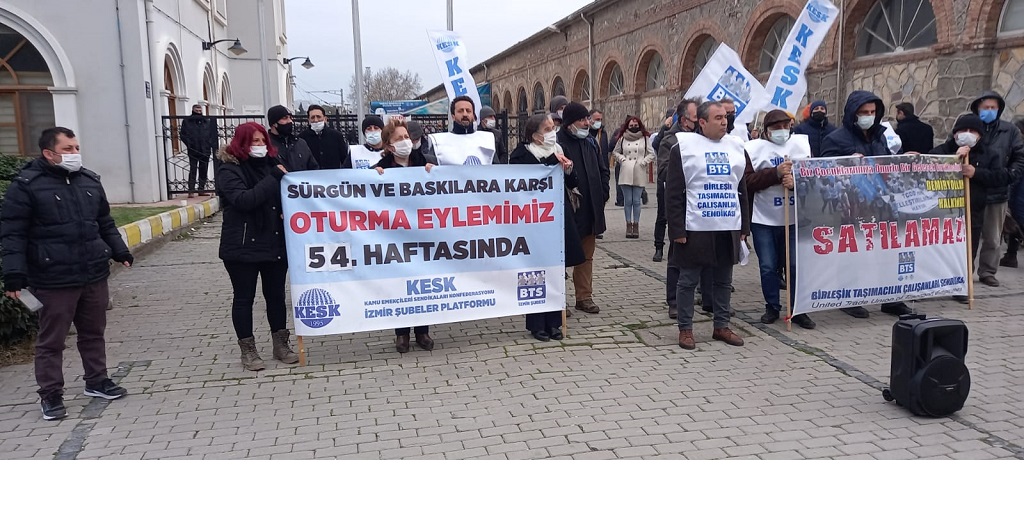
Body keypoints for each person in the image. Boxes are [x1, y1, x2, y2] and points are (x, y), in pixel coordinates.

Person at [1, 127, 133, 420]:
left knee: (93, 333)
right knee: (52, 341)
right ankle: (50, 394)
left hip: (92, 273)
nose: (75, 153)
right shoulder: (26, 186)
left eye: (76, 147)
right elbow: (12, 234)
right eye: (68, 149)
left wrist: (118, 250)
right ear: (49, 153)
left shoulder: (89, 180)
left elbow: (104, 222)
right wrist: (14, 274)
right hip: (52, 278)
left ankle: (97, 380)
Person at [666, 101, 750, 350]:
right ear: (701, 122)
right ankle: (686, 329)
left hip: (727, 225)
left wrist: (744, 226)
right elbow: (674, 193)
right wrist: (677, 231)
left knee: (724, 280)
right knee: (688, 281)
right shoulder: (683, 148)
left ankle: (721, 326)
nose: (724, 121)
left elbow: (741, 189)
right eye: (717, 118)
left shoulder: (736, 147)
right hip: (695, 227)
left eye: (725, 117)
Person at [821, 90, 913, 319]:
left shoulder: (881, 136)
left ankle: (891, 298)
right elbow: (824, 172)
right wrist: (847, 163)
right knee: (853, 253)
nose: (868, 116)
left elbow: (889, 164)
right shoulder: (835, 138)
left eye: (872, 112)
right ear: (853, 113)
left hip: (883, 205)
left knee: (888, 252)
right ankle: (848, 296)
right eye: (863, 112)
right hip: (853, 206)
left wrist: (906, 160)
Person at [215, 122, 298, 371]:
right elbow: (244, 200)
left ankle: (281, 344)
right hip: (242, 246)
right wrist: (274, 178)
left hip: (273, 242)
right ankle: (248, 350)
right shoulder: (229, 169)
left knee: (275, 297)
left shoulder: (274, 164)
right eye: (254, 142)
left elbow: (287, 195)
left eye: (263, 141)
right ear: (241, 143)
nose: (260, 146)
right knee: (244, 298)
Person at [509, 113, 586, 340]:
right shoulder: (520, 155)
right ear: (535, 136)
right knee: (534, 272)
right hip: (532, 221)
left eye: (554, 127)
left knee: (554, 270)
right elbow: (527, 180)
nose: (553, 132)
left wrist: (568, 169)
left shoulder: (559, 150)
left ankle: (554, 322)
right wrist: (552, 163)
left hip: (556, 217)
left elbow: (573, 182)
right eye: (547, 129)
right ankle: (536, 324)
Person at [743, 109, 816, 329]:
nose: (782, 131)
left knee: (794, 264)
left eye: (786, 127)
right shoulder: (753, 149)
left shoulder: (801, 147)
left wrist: (796, 183)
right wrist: (774, 173)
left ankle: (797, 309)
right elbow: (747, 181)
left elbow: (813, 178)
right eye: (776, 128)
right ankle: (772, 306)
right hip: (764, 218)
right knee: (768, 265)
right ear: (766, 131)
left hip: (794, 219)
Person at [371, 118, 437, 352]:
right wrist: (373, 177)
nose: (405, 142)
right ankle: (402, 334)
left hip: (422, 235)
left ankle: (422, 331)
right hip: (394, 237)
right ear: (388, 146)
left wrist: (433, 174)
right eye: (398, 139)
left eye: (406, 137)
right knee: (400, 285)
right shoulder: (382, 169)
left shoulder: (425, 164)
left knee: (421, 283)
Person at [931, 113, 1008, 303]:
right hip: (944, 209)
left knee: (968, 249)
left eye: (972, 131)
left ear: (980, 135)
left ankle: (962, 285)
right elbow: (929, 170)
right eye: (963, 130)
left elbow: (1000, 177)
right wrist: (952, 161)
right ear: (955, 133)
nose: (967, 134)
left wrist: (976, 173)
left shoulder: (990, 154)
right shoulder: (942, 151)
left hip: (973, 208)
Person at [967, 91, 1024, 286]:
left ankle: (988, 271)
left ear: (999, 109)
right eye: (985, 108)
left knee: (992, 237)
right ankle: (965, 271)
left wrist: (1012, 173)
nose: (989, 111)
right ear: (977, 109)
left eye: (993, 108)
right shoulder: (969, 127)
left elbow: (1019, 155)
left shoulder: (1010, 131)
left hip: (997, 190)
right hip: (971, 189)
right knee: (969, 236)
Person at [558, 101, 609, 314]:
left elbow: (603, 169)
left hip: (590, 209)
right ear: (570, 122)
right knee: (562, 257)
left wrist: (604, 192)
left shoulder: (589, 142)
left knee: (587, 256)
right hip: (567, 211)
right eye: (582, 119)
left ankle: (584, 297)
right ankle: (559, 301)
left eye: (587, 119)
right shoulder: (558, 143)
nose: (587, 122)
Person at [612, 115, 655, 239]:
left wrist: (644, 162)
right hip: (626, 170)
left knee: (636, 201)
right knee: (628, 201)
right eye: (631, 125)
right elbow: (615, 151)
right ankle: (628, 224)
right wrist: (622, 159)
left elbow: (651, 153)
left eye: (636, 125)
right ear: (627, 126)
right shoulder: (622, 138)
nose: (634, 127)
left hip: (638, 170)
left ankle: (636, 225)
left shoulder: (645, 138)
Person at [428, 95, 498, 165]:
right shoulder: (439, 142)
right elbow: (432, 170)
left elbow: (496, 170)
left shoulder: (486, 140)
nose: (465, 114)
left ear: (473, 116)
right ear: (453, 116)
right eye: (460, 111)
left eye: (468, 111)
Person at [179, 104, 218, 197]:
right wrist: (190, 144)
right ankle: (191, 190)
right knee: (193, 169)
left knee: (203, 169)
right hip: (193, 149)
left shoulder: (207, 121)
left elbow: (212, 134)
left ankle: (201, 189)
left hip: (205, 149)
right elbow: (183, 134)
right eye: (197, 111)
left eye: (200, 111)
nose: (199, 112)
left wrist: (209, 145)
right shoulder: (187, 121)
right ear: (193, 110)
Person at [266, 105, 319, 172]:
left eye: (290, 118)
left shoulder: (300, 143)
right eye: (285, 118)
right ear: (274, 123)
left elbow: (314, 168)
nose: (290, 121)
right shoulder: (266, 144)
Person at [1001, 117, 1024, 268]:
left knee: (1017, 221)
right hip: (1017, 191)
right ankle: (1010, 255)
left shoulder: (1018, 149)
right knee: (1014, 224)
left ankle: (1011, 255)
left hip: (1018, 193)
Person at [299, 104, 349, 169]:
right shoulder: (302, 138)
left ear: (325, 119)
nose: (316, 120)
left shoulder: (336, 136)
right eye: (312, 117)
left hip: (332, 176)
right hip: (311, 177)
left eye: (318, 117)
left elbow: (344, 160)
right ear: (308, 120)